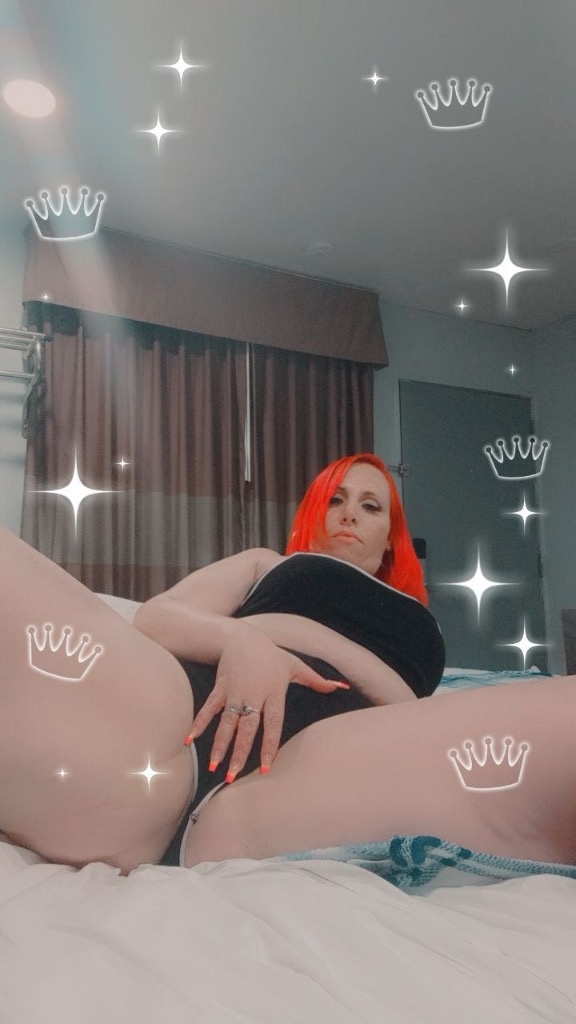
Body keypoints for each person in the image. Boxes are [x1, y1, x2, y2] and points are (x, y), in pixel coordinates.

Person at [0, 454, 444, 873]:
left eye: (370, 506)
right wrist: (240, 638)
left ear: (392, 536)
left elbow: (414, 719)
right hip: (168, 716)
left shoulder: (422, 627)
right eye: (335, 500)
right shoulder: (269, 564)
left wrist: (284, 631)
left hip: (213, 810)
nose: (348, 515)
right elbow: (156, 618)